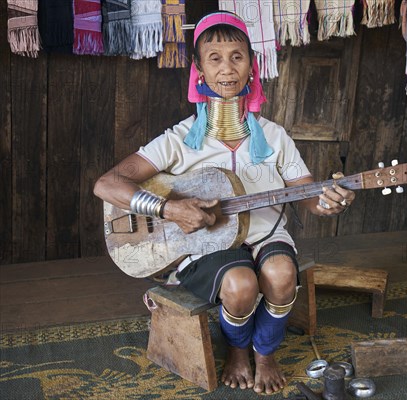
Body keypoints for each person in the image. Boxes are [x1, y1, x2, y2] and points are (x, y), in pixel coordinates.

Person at [94, 11, 355, 395]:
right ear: (198, 69)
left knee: (282, 275)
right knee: (240, 282)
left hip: (266, 235)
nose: (227, 68)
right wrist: (169, 209)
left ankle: (264, 353)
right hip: (204, 246)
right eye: (214, 58)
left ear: (252, 65)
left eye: (237, 56)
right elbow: (107, 184)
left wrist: (330, 201)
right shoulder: (179, 140)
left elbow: (309, 197)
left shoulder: (274, 136)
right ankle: (237, 350)